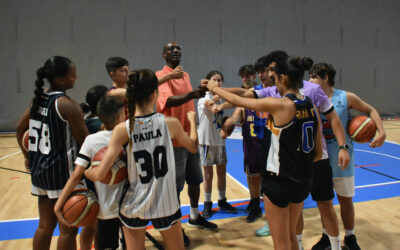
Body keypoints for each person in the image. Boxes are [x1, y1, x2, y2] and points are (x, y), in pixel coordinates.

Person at [207, 56, 323, 250]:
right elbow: (318, 153)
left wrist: (213, 88)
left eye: (274, 77)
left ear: (284, 78)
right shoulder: (311, 105)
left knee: (281, 242)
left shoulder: (281, 105)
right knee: (292, 236)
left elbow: (238, 100)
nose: (273, 81)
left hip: (279, 182)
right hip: (303, 181)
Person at [85, 69, 200, 250]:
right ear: (155, 93)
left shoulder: (123, 129)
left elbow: (99, 174)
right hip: (166, 202)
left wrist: (86, 171)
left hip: (134, 202)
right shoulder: (169, 123)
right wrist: (192, 121)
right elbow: (193, 146)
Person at [308, 63, 386, 250]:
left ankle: (350, 238)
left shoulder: (345, 97)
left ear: (325, 77)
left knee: (345, 200)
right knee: (324, 202)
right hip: (320, 160)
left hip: (343, 158)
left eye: (313, 77)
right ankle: (327, 237)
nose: (310, 80)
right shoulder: (309, 98)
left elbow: (371, 110)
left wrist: (381, 132)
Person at [15, 56, 88, 250]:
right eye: (73, 75)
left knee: (45, 226)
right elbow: (86, 142)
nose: (76, 77)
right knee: (68, 230)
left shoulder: (37, 100)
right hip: (63, 175)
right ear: (61, 80)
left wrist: (27, 156)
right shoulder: (68, 105)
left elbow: (19, 129)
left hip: (41, 173)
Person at [155, 41, 217, 245]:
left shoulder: (186, 74)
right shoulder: (160, 76)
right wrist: (193, 94)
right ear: (164, 55)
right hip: (174, 140)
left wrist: (197, 91)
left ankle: (194, 216)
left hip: (190, 137)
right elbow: (168, 102)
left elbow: (188, 99)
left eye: (178, 48)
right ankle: (175, 227)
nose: (175, 51)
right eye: (170, 49)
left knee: (195, 180)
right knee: (175, 187)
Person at [54, 96, 126, 250]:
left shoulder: (91, 140)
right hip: (130, 205)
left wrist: (58, 205)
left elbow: (75, 176)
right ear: (121, 116)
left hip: (105, 210)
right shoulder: (128, 135)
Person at [198, 70, 237, 219]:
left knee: (222, 172)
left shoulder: (220, 99)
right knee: (208, 175)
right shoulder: (204, 98)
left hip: (220, 141)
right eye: (215, 80)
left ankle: (222, 200)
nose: (218, 82)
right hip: (207, 141)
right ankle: (207, 204)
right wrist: (215, 102)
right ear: (208, 82)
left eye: (220, 80)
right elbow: (211, 106)